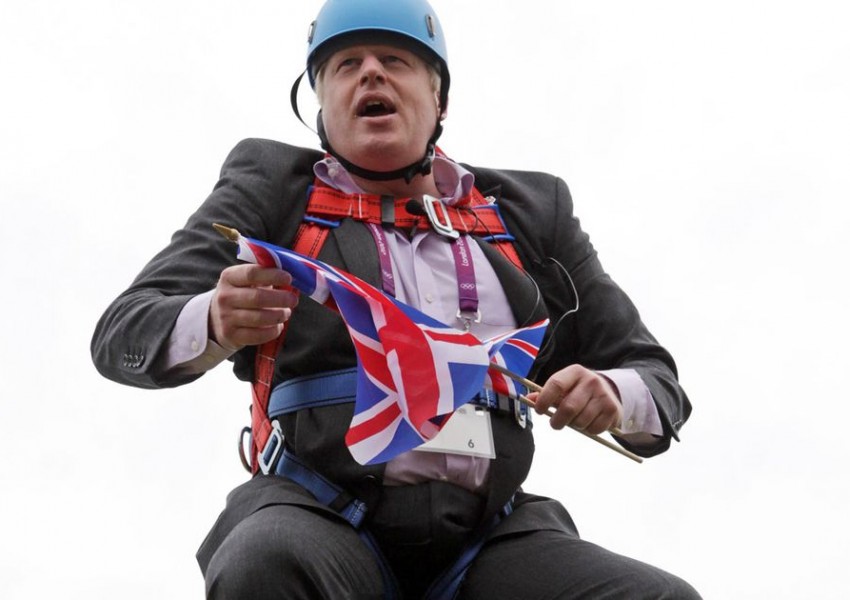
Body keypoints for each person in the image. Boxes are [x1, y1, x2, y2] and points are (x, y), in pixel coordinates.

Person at [91, 0, 700, 598]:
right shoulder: (272, 186)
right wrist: (214, 320)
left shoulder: (532, 212)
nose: (371, 74)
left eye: (395, 60)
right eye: (346, 65)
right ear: (321, 103)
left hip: (491, 540)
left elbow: (653, 375)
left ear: (440, 100)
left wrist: (614, 393)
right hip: (317, 514)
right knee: (264, 561)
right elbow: (124, 329)